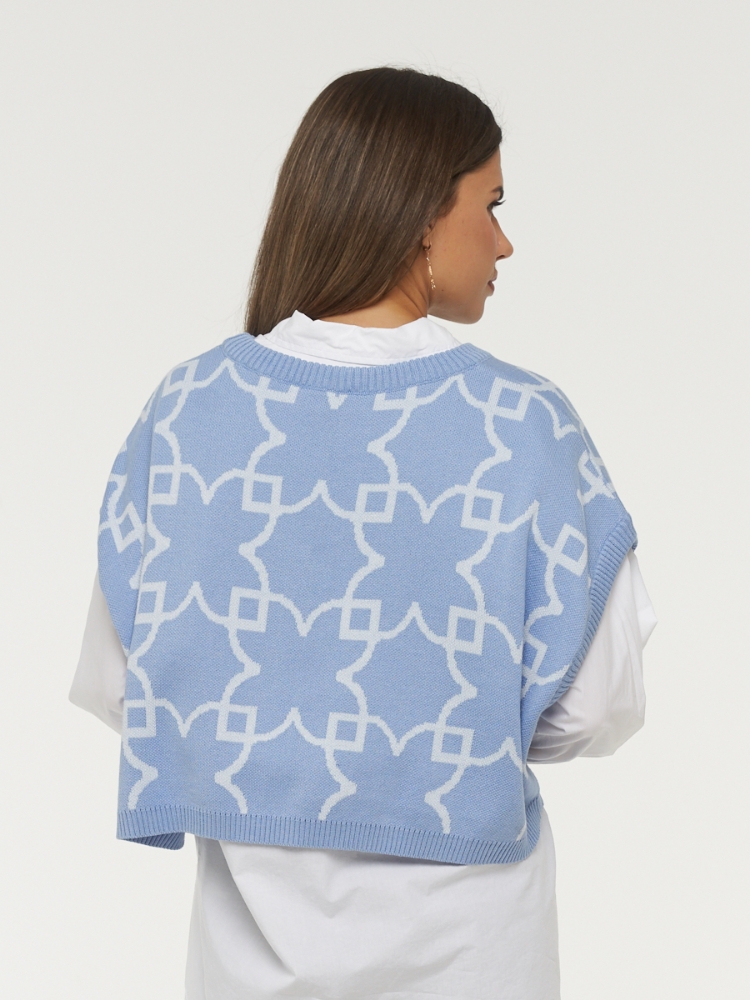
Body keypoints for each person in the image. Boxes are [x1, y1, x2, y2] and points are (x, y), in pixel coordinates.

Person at [70, 67, 657, 1000]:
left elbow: (122, 685)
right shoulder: (523, 425)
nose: (504, 241)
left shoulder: (187, 412)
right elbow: (596, 707)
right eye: (492, 204)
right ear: (424, 215)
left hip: (248, 956)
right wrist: (447, 732)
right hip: (477, 956)